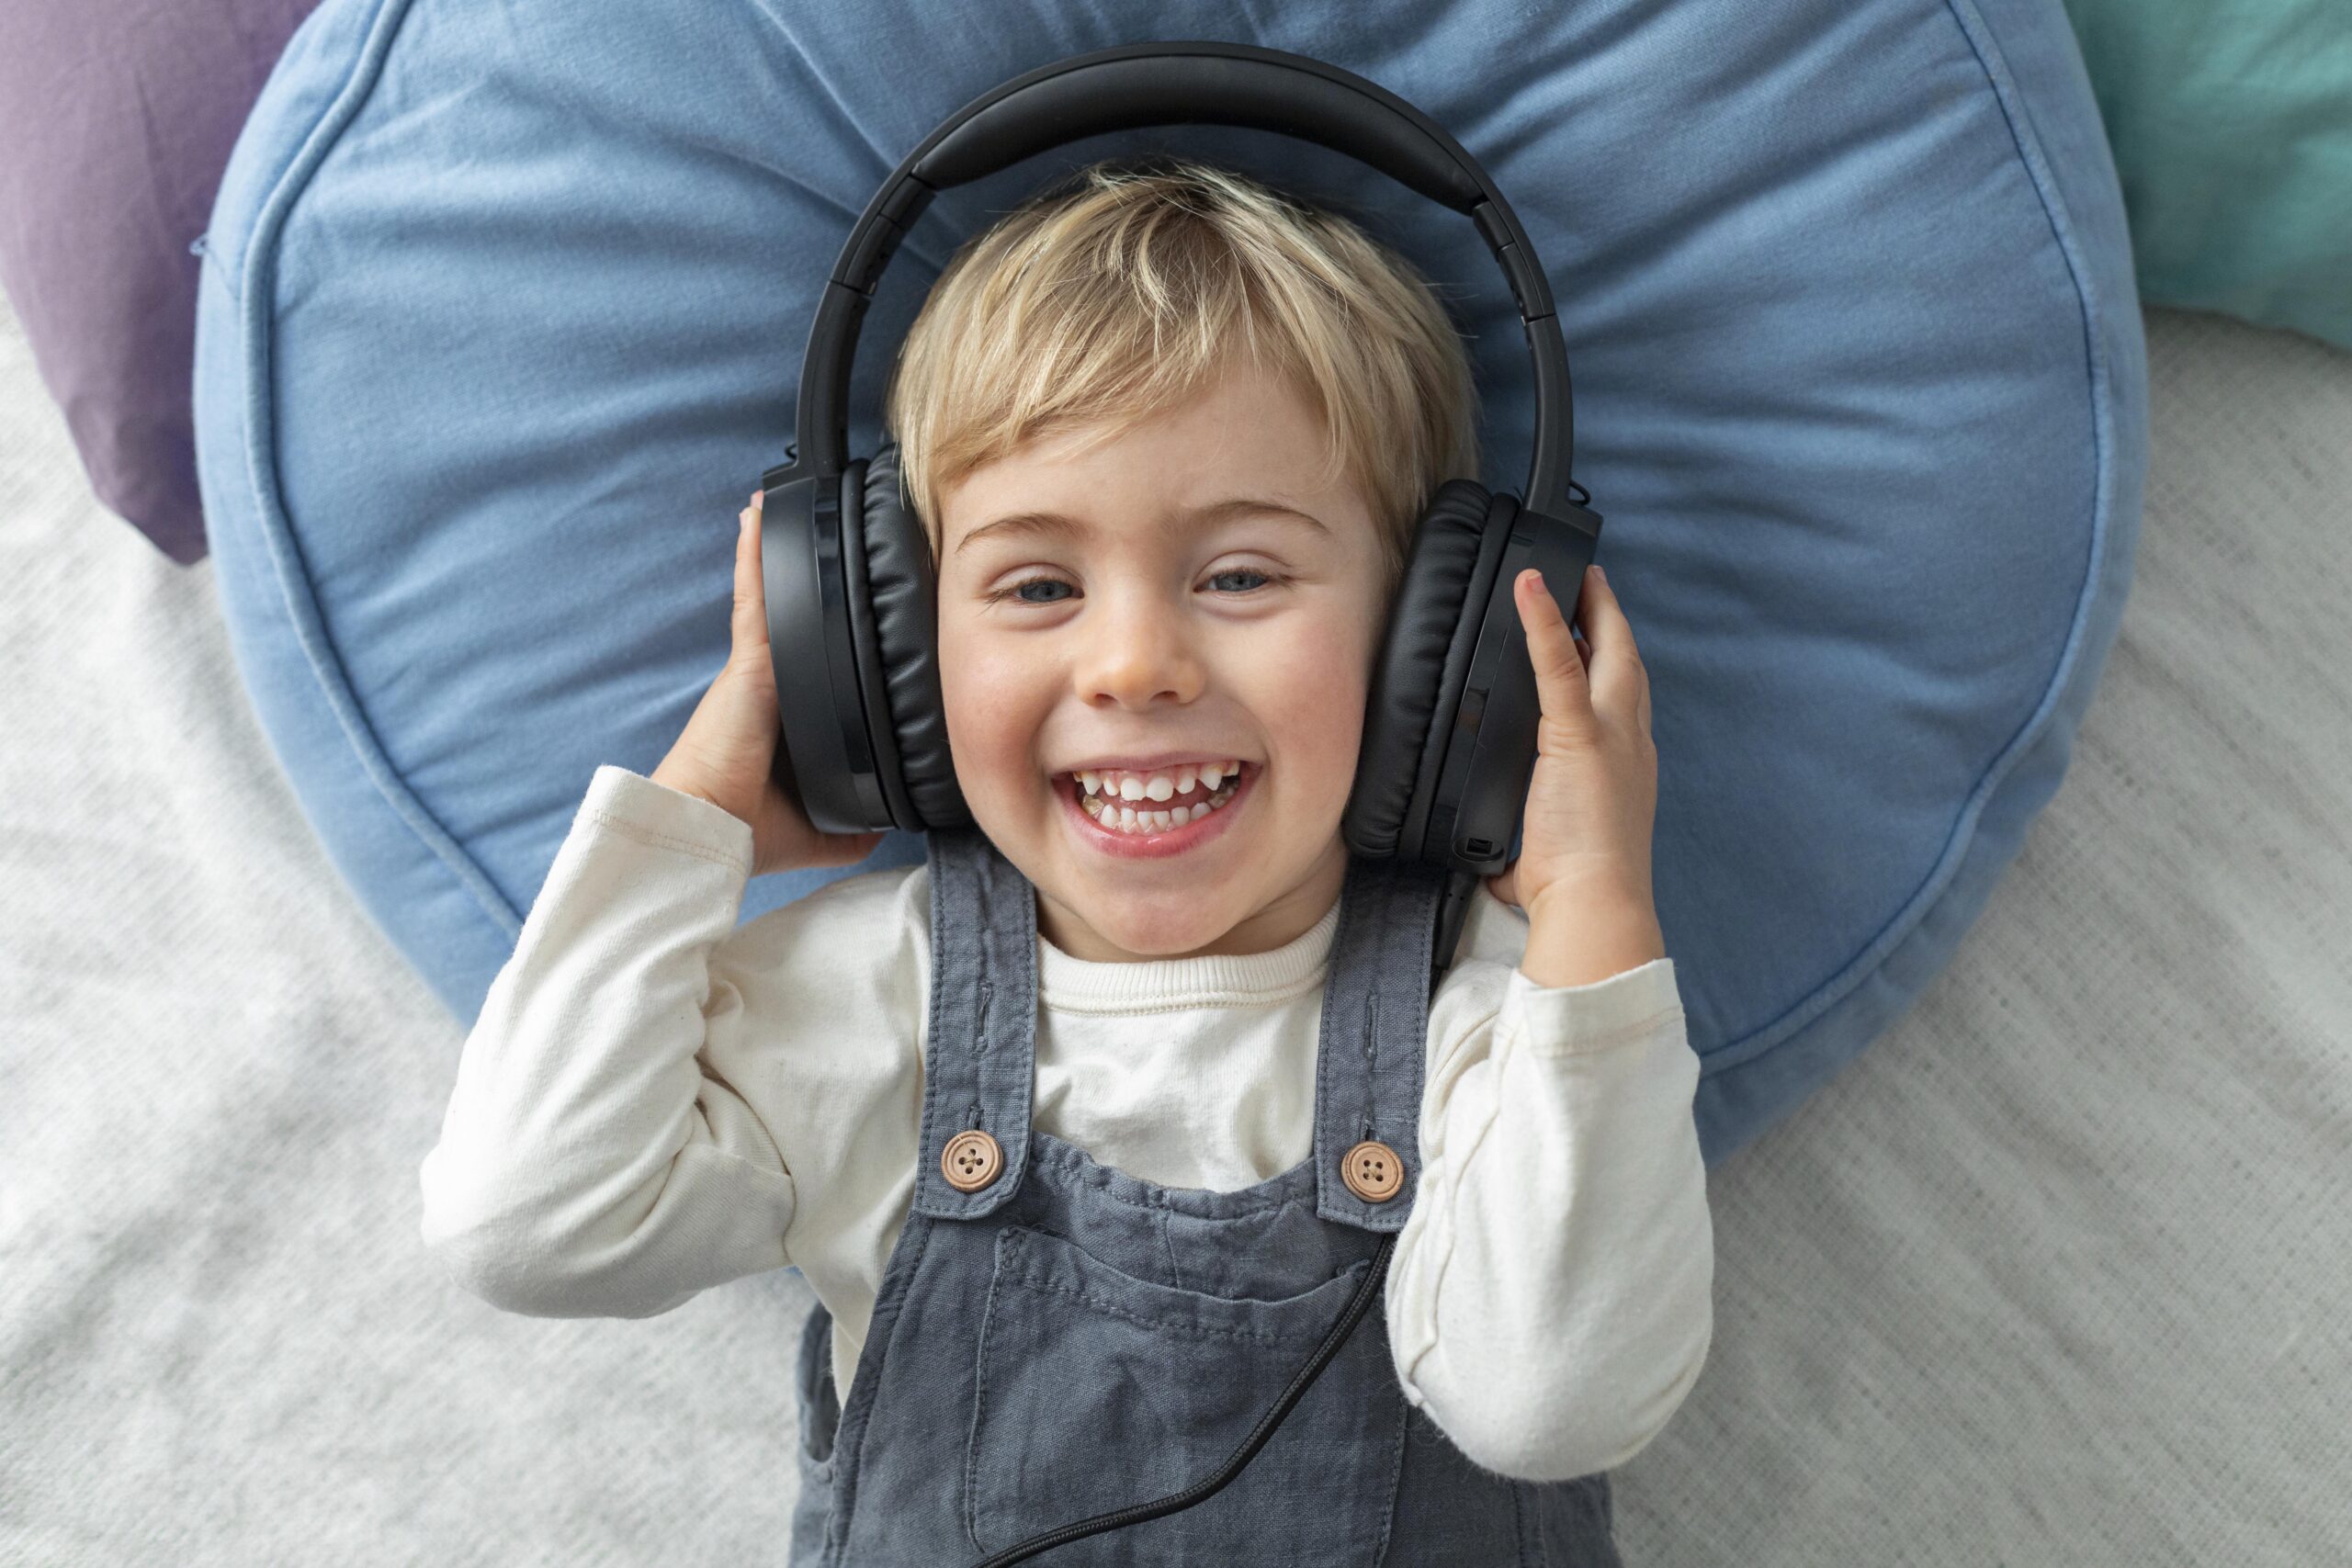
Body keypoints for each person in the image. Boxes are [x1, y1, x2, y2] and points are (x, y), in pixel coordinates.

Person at [419, 157, 1712, 1565]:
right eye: (1037, 586)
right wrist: (698, 812)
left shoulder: (1500, 1021)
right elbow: (529, 1226)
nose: (1135, 663)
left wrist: (1596, 903)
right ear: (884, 662)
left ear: (1429, 655)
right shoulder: (873, 995)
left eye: (1241, 575)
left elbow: (1553, 1403)